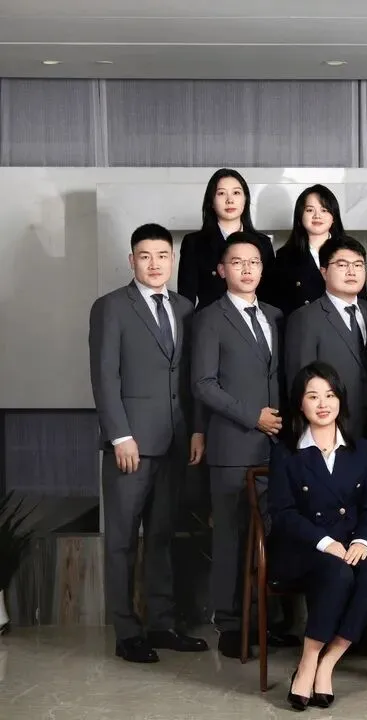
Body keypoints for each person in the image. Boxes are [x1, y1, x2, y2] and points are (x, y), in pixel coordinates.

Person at [89, 223, 208, 663]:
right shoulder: (110, 307)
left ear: (172, 260)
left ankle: (162, 624)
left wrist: (196, 430)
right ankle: (126, 632)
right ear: (132, 260)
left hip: (175, 441)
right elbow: (105, 376)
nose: (154, 264)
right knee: (122, 540)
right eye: (145, 256)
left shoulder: (186, 308)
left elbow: (192, 378)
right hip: (131, 444)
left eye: (162, 255)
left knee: (162, 537)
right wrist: (120, 435)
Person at [268, 362, 367, 711]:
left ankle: (329, 662)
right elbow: (283, 513)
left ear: (340, 400)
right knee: (338, 574)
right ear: (300, 404)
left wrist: (363, 541)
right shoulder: (286, 452)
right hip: (304, 546)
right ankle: (308, 661)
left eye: (330, 395)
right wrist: (325, 542)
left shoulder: (361, 449)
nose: (323, 404)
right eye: (313, 396)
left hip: (352, 542)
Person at [191, 232, 285, 659]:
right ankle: (230, 624)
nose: (247, 269)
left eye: (254, 262)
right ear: (221, 270)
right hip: (233, 444)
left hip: (276, 446)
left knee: (272, 533)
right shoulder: (209, 318)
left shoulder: (275, 315)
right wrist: (252, 417)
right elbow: (203, 384)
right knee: (231, 537)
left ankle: (268, 620)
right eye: (237, 262)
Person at [285, 236, 367, 439]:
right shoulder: (304, 318)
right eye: (342, 265)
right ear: (324, 271)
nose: (351, 271)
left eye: (358, 265)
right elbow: (300, 384)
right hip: (330, 430)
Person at [178, 168, 275, 311]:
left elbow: (271, 295)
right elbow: (186, 300)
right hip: (209, 320)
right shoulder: (194, 243)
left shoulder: (263, 243)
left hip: (253, 320)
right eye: (221, 193)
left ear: (245, 199)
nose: (230, 200)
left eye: (236, 193)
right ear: (211, 201)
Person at [273, 184, 351, 317]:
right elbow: (279, 305)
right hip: (303, 325)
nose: (317, 216)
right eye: (309, 210)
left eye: (324, 210)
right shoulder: (285, 256)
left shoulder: (350, 251)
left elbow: (360, 300)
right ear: (300, 216)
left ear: (334, 217)